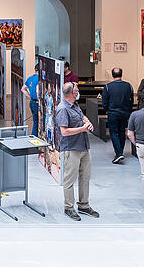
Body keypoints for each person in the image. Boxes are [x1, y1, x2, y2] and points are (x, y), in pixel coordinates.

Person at [56, 82, 99, 221]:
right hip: (71, 149)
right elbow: (64, 131)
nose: (78, 91)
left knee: (85, 177)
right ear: (73, 93)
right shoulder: (62, 109)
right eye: (77, 89)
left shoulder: (75, 105)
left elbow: (81, 117)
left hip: (84, 147)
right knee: (69, 180)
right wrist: (82, 129)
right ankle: (69, 207)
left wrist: (87, 122)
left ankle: (84, 205)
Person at [101, 67, 134, 164]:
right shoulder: (128, 86)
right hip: (124, 113)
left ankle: (119, 153)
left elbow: (104, 102)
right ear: (121, 74)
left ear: (112, 75)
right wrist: (128, 110)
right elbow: (131, 100)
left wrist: (107, 110)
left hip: (113, 113)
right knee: (121, 132)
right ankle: (120, 152)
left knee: (113, 133)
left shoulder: (107, 87)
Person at [21, 64, 40, 136]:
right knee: (40, 122)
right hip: (38, 103)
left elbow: (23, 89)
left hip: (32, 102)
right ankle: (36, 137)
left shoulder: (30, 78)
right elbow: (38, 91)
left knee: (35, 121)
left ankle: (33, 137)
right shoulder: (40, 79)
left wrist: (29, 96)